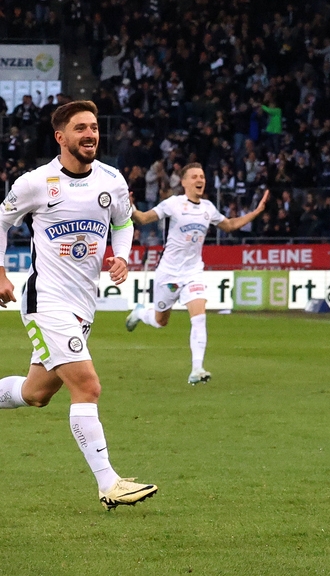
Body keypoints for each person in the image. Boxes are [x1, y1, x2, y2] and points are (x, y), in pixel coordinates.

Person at [0, 100, 157, 510]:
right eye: (80, 128)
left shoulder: (111, 180)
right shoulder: (36, 182)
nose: (90, 134)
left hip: (82, 304)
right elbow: (0, 221)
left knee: (36, 394)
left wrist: (121, 255)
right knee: (87, 386)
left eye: (93, 127)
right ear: (61, 137)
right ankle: (109, 482)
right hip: (45, 299)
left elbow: (122, 221)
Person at [124, 163, 268, 384]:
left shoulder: (208, 208)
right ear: (183, 182)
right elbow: (143, 219)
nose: (200, 180)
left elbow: (228, 225)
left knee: (199, 318)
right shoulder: (173, 204)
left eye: (202, 176)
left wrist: (255, 213)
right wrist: (131, 206)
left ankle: (197, 369)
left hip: (193, 272)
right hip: (169, 274)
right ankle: (141, 313)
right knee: (160, 321)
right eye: (194, 176)